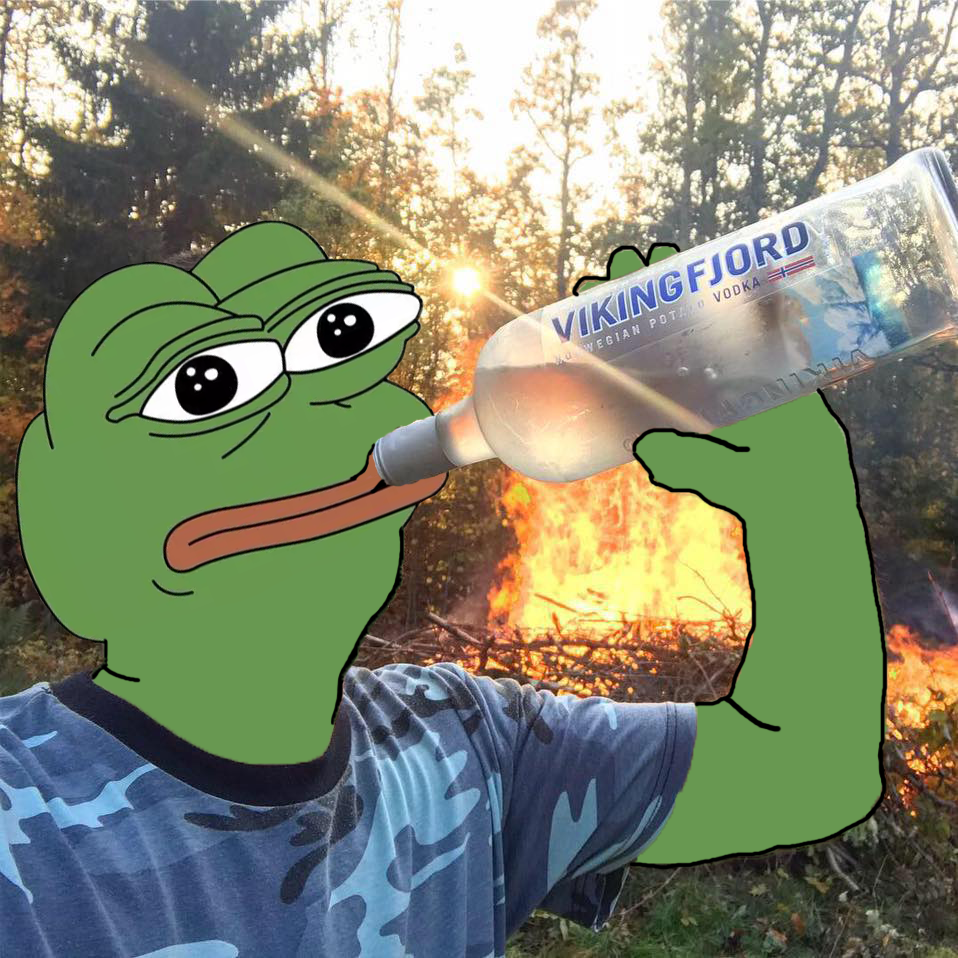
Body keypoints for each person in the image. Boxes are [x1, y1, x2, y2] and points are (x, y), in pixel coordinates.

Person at [4, 223, 884, 956]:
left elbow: (805, 766)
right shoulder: (21, 814)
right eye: (206, 389)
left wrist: (798, 500)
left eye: (339, 347)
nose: (328, 418)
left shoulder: (464, 743)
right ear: (76, 537)